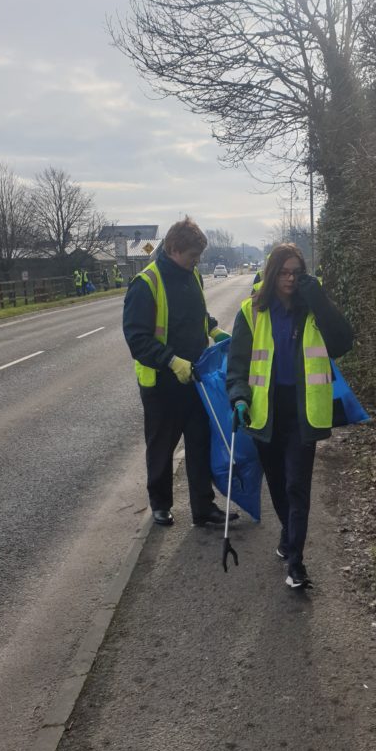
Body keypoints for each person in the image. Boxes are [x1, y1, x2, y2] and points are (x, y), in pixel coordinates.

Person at [227, 243, 353, 589]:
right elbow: (236, 366)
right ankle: (288, 535)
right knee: (280, 488)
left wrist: (321, 301)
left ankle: (296, 563)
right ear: (271, 274)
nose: (290, 278)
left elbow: (343, 342)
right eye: (283, 272)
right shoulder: (251, 312)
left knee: (297, 487)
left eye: (296, 272)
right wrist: (238, 397)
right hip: (265, 414)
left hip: (303, 411)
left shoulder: (312, 308)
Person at [123, 216, 235, 528]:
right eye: (192, 256)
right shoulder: (146, 284)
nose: (196, 261)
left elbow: (197, 315)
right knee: (161, 446)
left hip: (195, 378)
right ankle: (160, 505)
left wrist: (215, 330)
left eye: (198, 256)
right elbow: (137, 338)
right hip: (161, 384)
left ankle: (203, 507)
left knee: (199, 444)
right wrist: (172, 361)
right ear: (173, 248)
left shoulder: (193, 276)